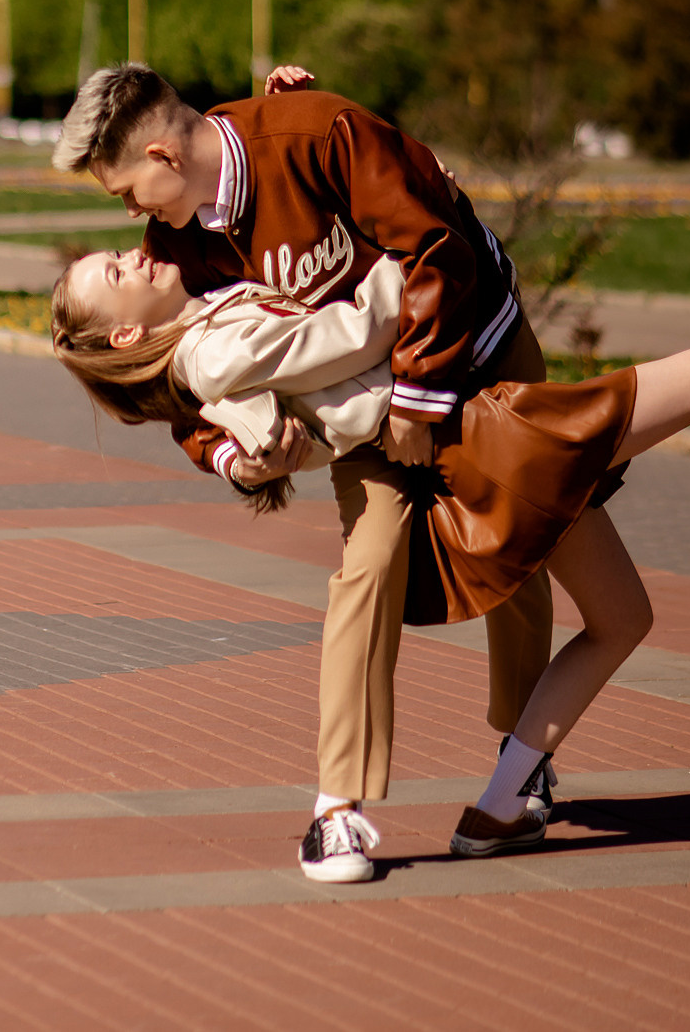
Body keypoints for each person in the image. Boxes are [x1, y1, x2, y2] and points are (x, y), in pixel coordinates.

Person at [50, 239, 690, 864]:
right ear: (118, 332)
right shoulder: (207, 350)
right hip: (488, 439)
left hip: (476, 442)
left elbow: (268, 417)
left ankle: (497, 807)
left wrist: (258, 447)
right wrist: (427, 246)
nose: (129, 255)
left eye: (116, 252)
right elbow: (355, 335)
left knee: (624, 618)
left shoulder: (211, 314)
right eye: (112, 273)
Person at [52, 63, 558, 882]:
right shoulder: (172, 251)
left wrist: (422, 398)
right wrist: (246, 461)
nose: (131, 215)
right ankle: (338, 810)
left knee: (518, 546)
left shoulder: (309, 135)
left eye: (126, 192)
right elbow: (184, 399)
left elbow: (434, 246)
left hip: (474, 348)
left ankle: (523, 750)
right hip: (365, 416)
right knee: (368, 568)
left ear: (161, 155)